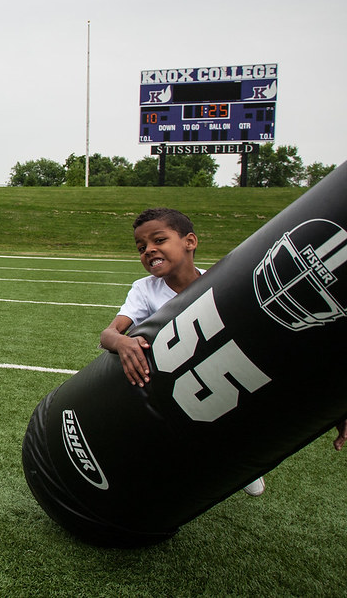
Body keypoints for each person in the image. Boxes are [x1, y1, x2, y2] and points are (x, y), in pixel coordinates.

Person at [99, 207, 267, 497]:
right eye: (141, 248)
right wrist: (122, 342)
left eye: (159, 240)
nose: (149, 250)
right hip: (172, 379)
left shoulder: (222, 279)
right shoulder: (145, 289)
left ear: (189, 242)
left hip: (219, 369)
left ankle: (241, 458)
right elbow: (108, 334)